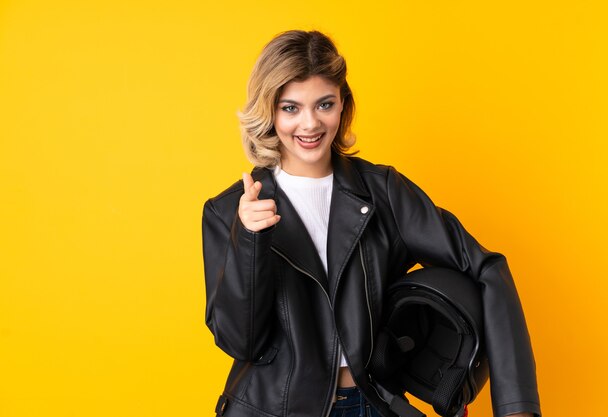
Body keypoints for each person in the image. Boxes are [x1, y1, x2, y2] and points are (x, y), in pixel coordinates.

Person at [202, 30, 540, 417]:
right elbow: (239, 342)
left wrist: (517, 408)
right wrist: (250, 240)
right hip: (272, 409)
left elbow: (485, 267)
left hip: (369, 404)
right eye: (290, 108)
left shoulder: (383, 191)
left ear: (343, 106)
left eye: (324, 104)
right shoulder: (228, 210)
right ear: (269, 111)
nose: (310, 124)